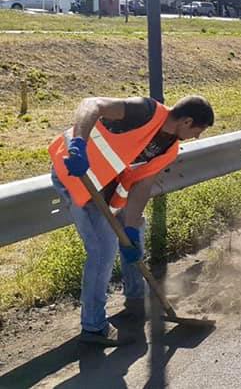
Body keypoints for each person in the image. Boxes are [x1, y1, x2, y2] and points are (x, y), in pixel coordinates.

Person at [48, 95, 215, 346]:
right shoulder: (145, 111)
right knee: (103, 251)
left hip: (107, 188)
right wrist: (78, 145)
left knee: (135, 230)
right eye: (198, 131)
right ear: (187, 121)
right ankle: (93, 328)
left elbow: (142, 184)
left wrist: (131, 228)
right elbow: (91, 104)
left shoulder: (169, 149)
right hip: (75, 174)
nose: (197, 137)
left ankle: (136, 300)